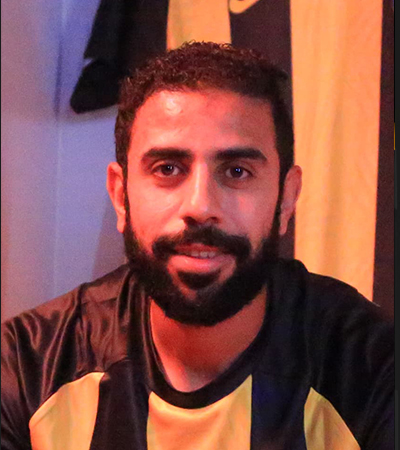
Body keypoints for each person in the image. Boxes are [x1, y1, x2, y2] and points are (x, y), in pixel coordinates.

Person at [1, 42, 394, 450]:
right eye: (168, 168)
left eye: (237, 171)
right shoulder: (28, 369)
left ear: (287, 198)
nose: (200, 206)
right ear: (120, 196)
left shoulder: (373, 371)